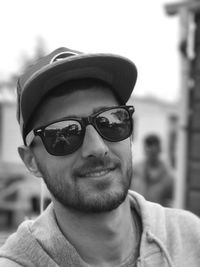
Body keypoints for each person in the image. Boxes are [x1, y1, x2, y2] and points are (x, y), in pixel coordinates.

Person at [0, 47, 200, 267]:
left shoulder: (190, 238)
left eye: (111, 121)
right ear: (31, 161)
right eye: (65, 132)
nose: (97, 148)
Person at [130, 134, 174, 207]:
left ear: (159, 150)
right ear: (145, 150)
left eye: (153, 151)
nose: (151, 153)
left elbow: (169, 202)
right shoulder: (134, 170)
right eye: (148, 149)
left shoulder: (168, 177)